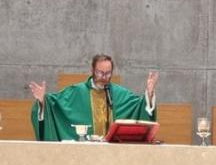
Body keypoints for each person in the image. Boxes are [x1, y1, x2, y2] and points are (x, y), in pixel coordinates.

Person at [28, 54, 159, 141]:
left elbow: (140, 106)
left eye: (108, 73)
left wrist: (149, 94)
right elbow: (53, 105)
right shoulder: (76, 92)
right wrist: (42, 102)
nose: (104, 77)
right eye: (100, 72)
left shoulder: (120, 94)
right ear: (92, 70)